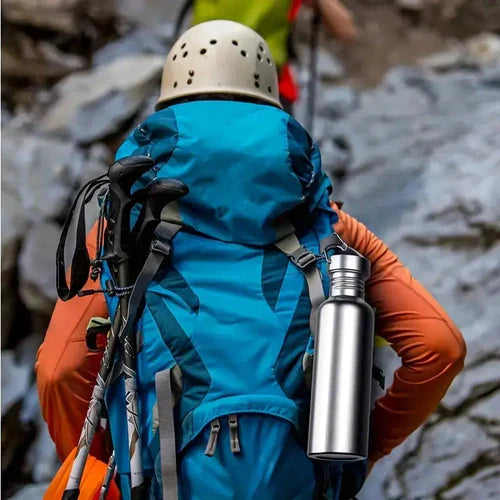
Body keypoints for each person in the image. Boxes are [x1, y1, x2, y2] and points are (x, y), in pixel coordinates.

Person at [37, 20, 466, 499]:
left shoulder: (126, 225)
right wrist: (360, 457)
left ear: (171, 99)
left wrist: (107, 462)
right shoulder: (328, 225)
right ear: (269, 100)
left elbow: (60, 370)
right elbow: (438, 347)